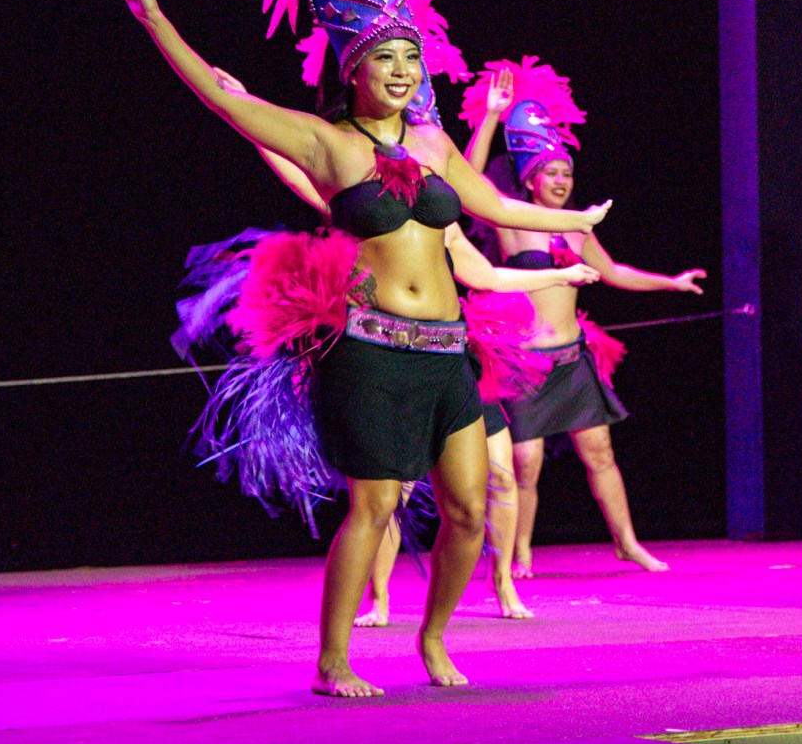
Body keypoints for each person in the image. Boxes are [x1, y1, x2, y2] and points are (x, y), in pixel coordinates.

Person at [115, 0, 610, 696]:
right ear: (350, 65)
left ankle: (434, 641)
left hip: (450, 350)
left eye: (410, 59)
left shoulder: (429, 145)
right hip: (372, 353)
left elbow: (491, 200)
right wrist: (155, 18)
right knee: (375, 509)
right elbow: (221, 102)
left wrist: (577, 223)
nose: (403, 73)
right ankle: (334, 659)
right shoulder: (329, 144)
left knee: (465, 512)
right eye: (386, 58)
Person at [224, 64, 601, 621]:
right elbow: (293, 166)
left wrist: (559, 273)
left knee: (490, 483)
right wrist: (248, 110)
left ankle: (496, 589)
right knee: (385, 498)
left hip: (452, 354)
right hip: (379, 349)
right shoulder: (351, 177)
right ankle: (375, 600)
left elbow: (487, 271)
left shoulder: (440, 207)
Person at [461, 57, 708, 576]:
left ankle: (627, 542)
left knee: (600, 451)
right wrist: (490, 117)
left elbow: (615, 271)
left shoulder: (577, 228)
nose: (560, 180)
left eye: (567, 172)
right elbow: (468, 182)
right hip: (526, 365)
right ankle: (519, 551)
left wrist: (672, 281)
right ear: (530, 179)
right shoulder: (512, 225)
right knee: (524, 464)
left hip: (572, 360)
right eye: (550, 172)